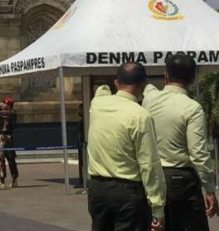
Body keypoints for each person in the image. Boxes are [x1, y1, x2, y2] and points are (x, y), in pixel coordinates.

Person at [142, 54, 218, 230]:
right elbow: (198, 153)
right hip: (182, 180)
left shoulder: (149, 101)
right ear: (193, 78)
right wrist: (210, 189)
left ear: (165, 75)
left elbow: (148, 89)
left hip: (152, 177)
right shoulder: (192, 108)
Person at [87, 62, 166, 231]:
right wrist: (157, 206)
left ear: (116, 83)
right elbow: (149, 164)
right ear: (143, 85)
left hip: (98, 188)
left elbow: (101, 90)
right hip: (128, 192)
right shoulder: (140, 115)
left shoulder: (97, 105)